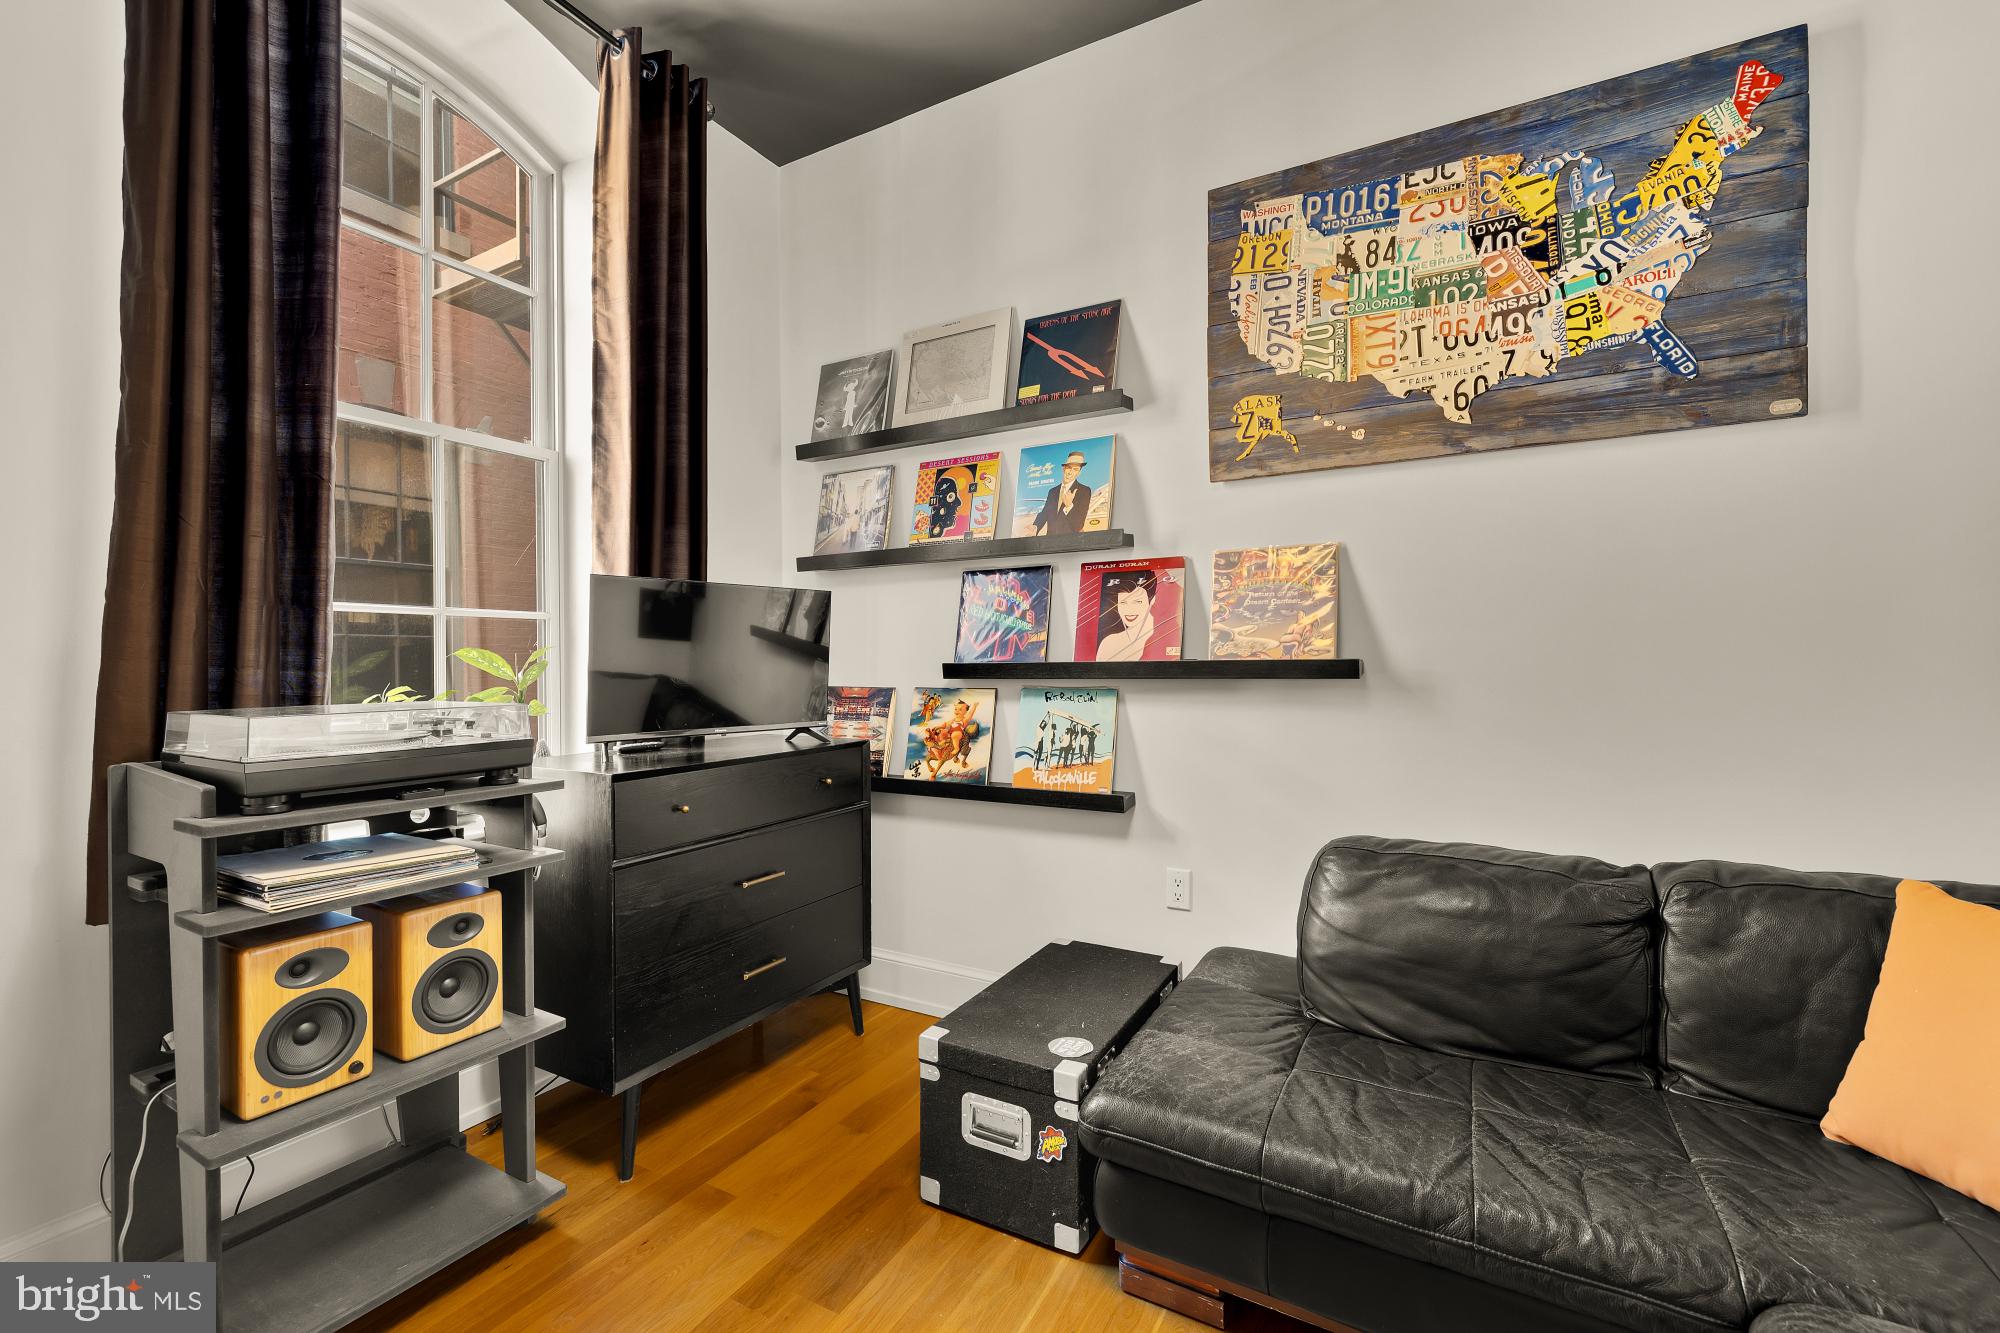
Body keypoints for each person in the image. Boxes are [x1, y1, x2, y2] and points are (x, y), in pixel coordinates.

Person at [1093, 570, 1158, 661]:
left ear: (1152, 600)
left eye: (1137, 602)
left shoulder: (1163, 634)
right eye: (1123, 602)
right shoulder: (1109, 644)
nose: (1129, 610)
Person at [1029, 450, 1093, 535]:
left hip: (1069, 543)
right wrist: (1036, 526)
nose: (1070, 472)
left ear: (1079, 472)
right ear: (1064, 468)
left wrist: (1069, 506)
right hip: (1050, 542)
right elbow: (1045, 513)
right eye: (1069, 467)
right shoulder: (1052, 491)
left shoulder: (1084, 491)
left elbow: (1079, 525)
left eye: (1075, 469)